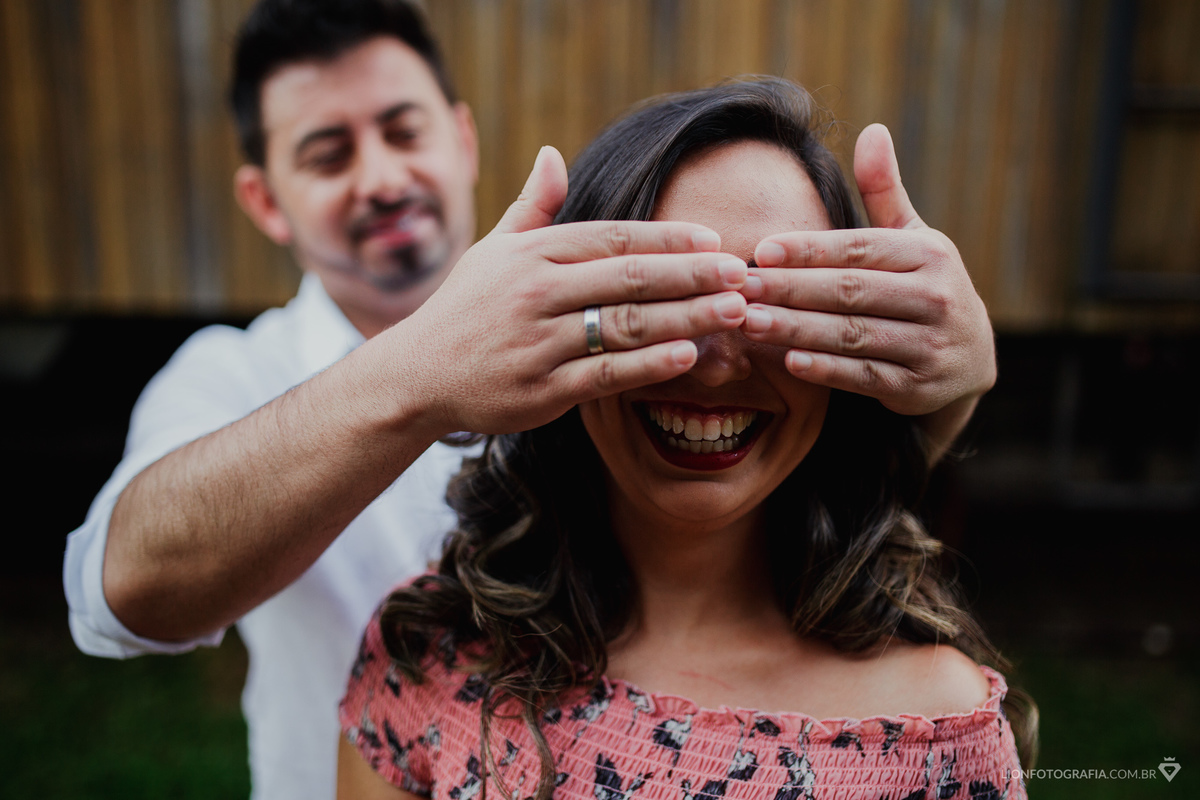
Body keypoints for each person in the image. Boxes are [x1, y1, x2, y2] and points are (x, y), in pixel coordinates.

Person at [63, 0, 996, 798]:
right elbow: (126, 590)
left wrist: (939, 396)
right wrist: (422, 378)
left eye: (402, 128)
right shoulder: (229, 378)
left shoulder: (935, 722)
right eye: (327, 152)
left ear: (462, 138)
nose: (382, 176)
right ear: (266, 201)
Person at [338, 78, 1031, 800]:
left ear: (850, 349)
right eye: (660, 299)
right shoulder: (432, 658)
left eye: (772, 303)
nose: (714, 365)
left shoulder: (935, 729)